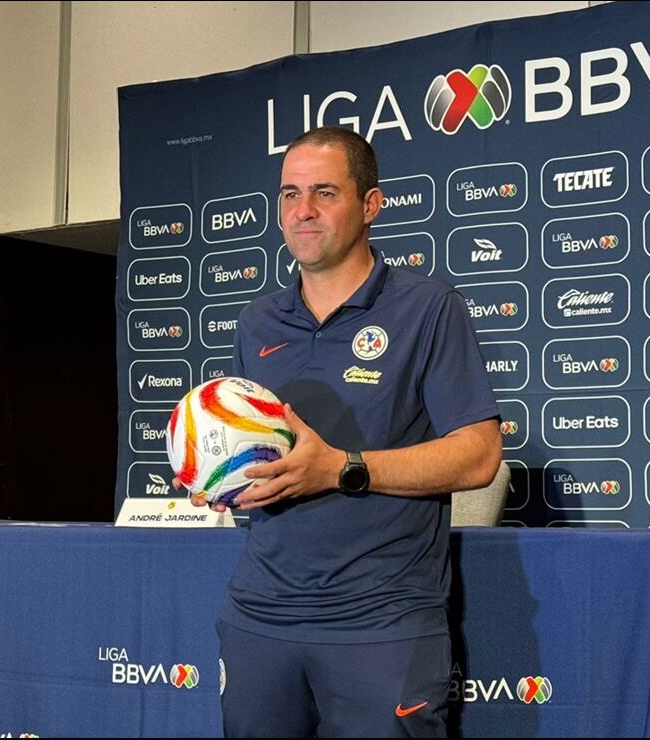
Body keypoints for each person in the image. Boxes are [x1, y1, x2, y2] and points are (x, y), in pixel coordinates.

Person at [191, 126, 502, 738]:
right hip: (261, 613)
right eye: (289, 194)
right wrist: (221, 478)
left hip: (380, 619)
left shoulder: (428, 308)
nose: (301, 211)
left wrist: (341, 467)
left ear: (370, 206)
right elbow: (260, 451)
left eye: (324, 192)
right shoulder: (258, 321)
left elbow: (478, 456)